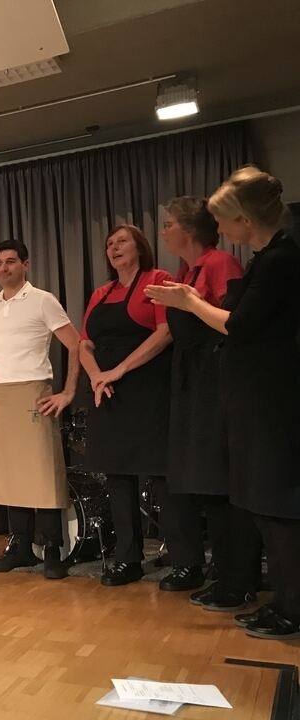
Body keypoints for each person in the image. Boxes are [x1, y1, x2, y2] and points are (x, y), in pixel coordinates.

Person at [147, 167, 300, 639]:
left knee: (276, 505)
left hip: (273, 398)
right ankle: (282, 601)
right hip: (254, 395)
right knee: (261, 503)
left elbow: (240, 325)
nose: (222, 230)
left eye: (225, 220)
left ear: (244, 220)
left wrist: (191, 302)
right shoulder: (267, 257)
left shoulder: (279, 260)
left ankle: (290, 606)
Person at [156, 197, 259, 599]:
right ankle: (221, 572)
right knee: (201, 479)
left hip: (215, 378)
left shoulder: (219, 264)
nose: (163, 231)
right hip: (191, 378)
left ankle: (238, 578)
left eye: (168, 224)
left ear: (189, 229)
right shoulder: (187, 271)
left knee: (220, 480)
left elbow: (231, 325)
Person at [78, 225, 173, 586]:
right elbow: (85, 343)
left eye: (122, 241)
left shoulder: (158, 278)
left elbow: (165, 332)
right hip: (108, 391)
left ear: (140, 247)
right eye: (109, 244)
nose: (113, 248)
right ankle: (127, 559)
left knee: (161, 474)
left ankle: (184, 559)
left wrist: (118, 370)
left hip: (147, 388)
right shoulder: (101, 292)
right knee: (117, 476)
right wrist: (97, 376)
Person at [0, 239, 81, 580]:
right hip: (1, 391)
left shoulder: (43, 300)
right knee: (9, 472)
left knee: (42, 471)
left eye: (11, 261)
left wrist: (68, 391)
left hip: (33, 390)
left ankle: (52, 547)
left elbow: (76, 343)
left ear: (26, 264)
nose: (4, 268)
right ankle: (21, 545)